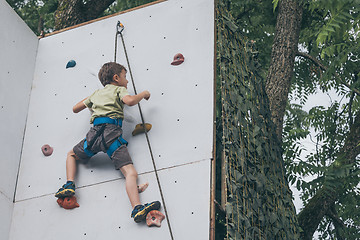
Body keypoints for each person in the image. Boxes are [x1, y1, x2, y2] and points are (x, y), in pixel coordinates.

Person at [55, 62, 160, 223]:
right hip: (112, 136)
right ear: (116, 78)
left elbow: (75, 108)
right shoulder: (119, 89)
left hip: (94, 136)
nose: (127, 81)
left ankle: (69, 184)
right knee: (130, 173)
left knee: (71, 154)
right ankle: (136, 207)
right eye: (125, 77)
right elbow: (130, 101)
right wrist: (144, 94)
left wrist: (93, 98)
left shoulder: (96, 94)